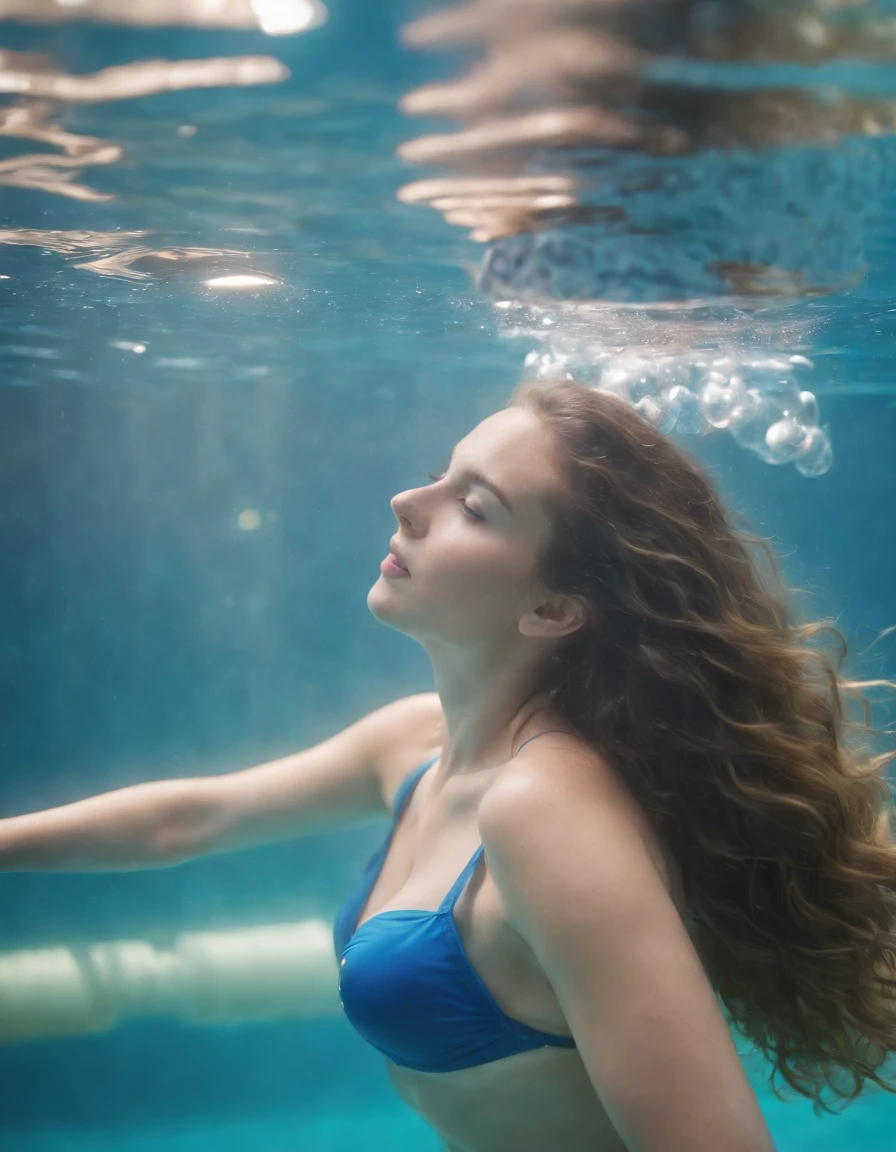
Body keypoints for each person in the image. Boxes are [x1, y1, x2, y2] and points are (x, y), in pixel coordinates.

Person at [2, 380, 894, 1152]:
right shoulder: (418, 740)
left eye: (474, 506)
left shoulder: (545, 813)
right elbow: (190, 820)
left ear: (553, 608)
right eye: (442, 472)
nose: (405, 500)